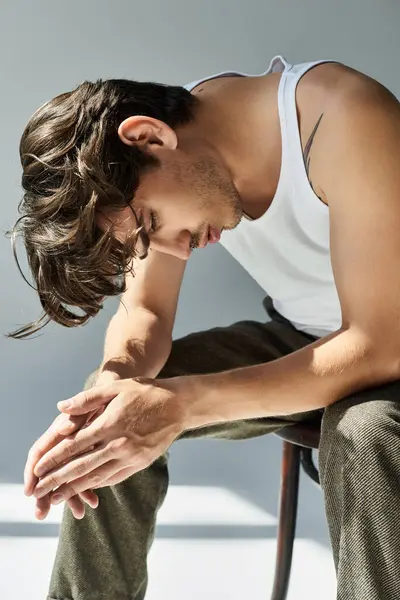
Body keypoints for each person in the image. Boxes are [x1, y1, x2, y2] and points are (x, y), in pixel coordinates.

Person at [11, 54, 400, 600]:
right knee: (112, 418)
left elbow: (380, 346)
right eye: (141, 245)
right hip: (304, 337)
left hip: (388, 348)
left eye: (149, 224)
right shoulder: (181, 151)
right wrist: (113, 389)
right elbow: (145, 315)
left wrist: (184, 404)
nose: (170, 249)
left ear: (148, 136)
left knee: (365, 431)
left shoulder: (340, 116)